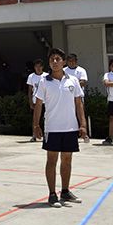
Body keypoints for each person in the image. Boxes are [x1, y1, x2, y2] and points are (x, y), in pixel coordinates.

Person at [33, 48, 87, 207]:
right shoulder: (44, 81)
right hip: (52, 128)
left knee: (67, 159)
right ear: (49, 63)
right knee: (51, 160)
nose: (55, 62)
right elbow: (38, 105)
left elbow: (79, 104)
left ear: (63, 62)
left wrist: (82, 124)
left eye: (58, 59)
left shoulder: (73, 80)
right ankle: (52, 194)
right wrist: (36, 125)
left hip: (70, 128)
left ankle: (65, 191)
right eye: (52, 60)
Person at [26, 58, 48, 142]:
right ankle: (34, 135)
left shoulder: (46, 76)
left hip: (45, 101)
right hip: (35, 101)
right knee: (35, 119)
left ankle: (46, 134)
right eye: (36, 66)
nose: (38, 68)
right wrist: (31, 102)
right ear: (34, 67)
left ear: (42, 67)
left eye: (40, 66)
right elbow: (30, 91)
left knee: (46, 119)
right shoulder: (31, 76)